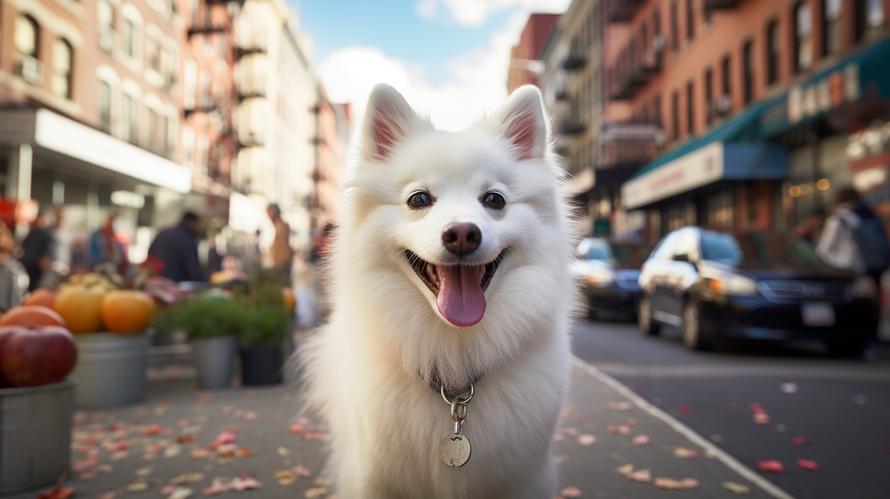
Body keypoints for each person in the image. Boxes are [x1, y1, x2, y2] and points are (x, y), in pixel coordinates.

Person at [817, 187, 890, 284]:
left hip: (848, 270)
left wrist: (837, 262)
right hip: (873, 265)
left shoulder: (838, 219)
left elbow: (823, 249)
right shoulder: (869, 214)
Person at [147, 212, 206, 283]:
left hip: (156, 281)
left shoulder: (163, 233)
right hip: (177, 285)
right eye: (197, 225)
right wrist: (205, 281)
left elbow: (150, 255)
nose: (198, 228)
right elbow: (193, 269)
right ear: (192, 222)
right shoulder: (187, 238)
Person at [19, 211, 54, 292]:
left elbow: (48, 249)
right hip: (28, 261)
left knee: (36, 283)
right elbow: (24, 244)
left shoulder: (47, 234)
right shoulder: (32, 232)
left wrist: (45, 258)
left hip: (37, 263)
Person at [267, 203, 294, 282]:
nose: (268, 217)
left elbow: (282, 247)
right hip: (281, 263)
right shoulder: (279, 226)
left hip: (282, 263)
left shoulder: (281, 226)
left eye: (269, 213)